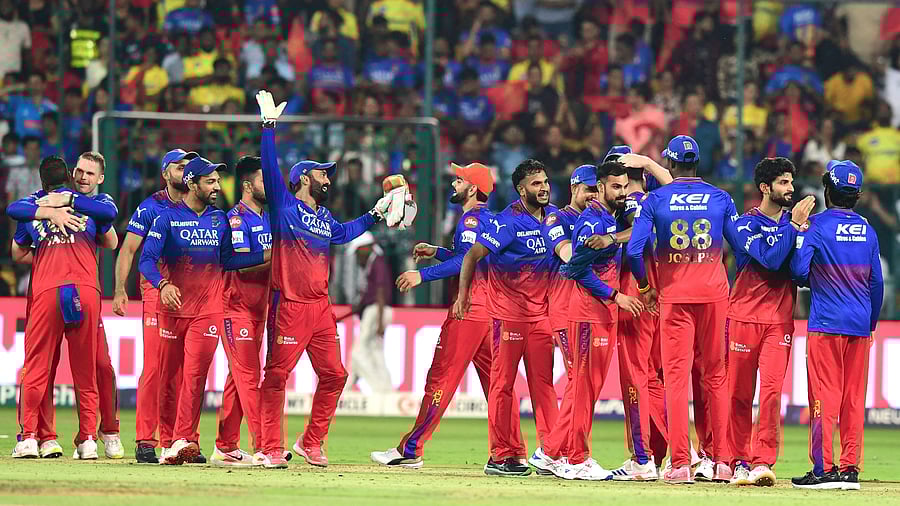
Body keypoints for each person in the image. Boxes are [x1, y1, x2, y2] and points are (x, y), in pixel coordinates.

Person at [254, 90, 394, 469]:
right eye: (321, 173)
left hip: (320, 308)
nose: (327, 178)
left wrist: (376, 214)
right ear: (302, 178)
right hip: (289, 304)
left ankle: (310, 442)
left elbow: (345, 234)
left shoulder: (325, 219)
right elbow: (269, 169)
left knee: (335, 375)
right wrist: (268, 128)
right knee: (277, 376)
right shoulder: (284, 207)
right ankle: (269, 447)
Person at [625, 135, 742, 484]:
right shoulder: (721, 198)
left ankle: (679, 465)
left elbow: (634, 251)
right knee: (717, 377)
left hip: (674, 296)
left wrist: (645, 288)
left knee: (675, 380)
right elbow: (739, 246)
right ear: (697, 163)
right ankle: (722, 462)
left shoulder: (656, 199)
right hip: (714, 295)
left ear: (671, 164)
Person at [139, 156, 268, 466]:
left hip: (208, 311)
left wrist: (265, 254)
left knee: (195, 377)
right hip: (173, 309)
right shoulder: (167, 219)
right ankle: (170, 440)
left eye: (217, 181)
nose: (216, 186)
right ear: (192, 183)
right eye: (210, 181)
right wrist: (162, 285)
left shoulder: (219, 219)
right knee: (170, 378)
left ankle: (185, 439)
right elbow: (146, 260)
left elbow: (229, 261)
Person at [370, 162, 495, 468]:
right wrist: (437, 250)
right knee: (498, 388)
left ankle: (411, 449)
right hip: (491, 312)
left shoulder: (469, 221)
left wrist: (421, 276)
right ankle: (509, 452)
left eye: (459, 180)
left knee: (439, 380)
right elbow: (469, 258)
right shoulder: (487, 220)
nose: (454, 184)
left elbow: (466, 261)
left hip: (467, 311)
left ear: (473, 188)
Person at [11, 153, 124, 460]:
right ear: (71, 175)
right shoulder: (92, 209)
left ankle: (31, 437)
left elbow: (17, 248)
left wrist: (44, 217)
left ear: (41, 179)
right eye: (80, 172)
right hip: (85, 290)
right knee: (86, 369)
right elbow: (111, 238)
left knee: (36, 367)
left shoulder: (34, 209)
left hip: (47, 290)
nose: (84, 177)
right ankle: (88, 439)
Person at [452, 159, 560, 477]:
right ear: (521, 189)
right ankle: (501, 456)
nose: (544, 188)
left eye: (545, 181)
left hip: (540, 317)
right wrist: (463, 296)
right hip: (509, 316)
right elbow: (472, 255)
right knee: (503, 386)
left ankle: (552, 454)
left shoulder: (553, 219)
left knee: (544, 388)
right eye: (536, 184)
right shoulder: (507, 221)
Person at [546, 161, 645, 481]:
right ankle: (576, 459)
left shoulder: (608, 221)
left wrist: (614, 238)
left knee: (586, 388)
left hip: (600, 315)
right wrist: (616, 296)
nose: (621, 192)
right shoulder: (591, 223)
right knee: (583, 389)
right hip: (588, 315)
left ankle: (563, 456)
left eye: (624, 186)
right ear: (600, 188)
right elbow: (575, 269)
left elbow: (641, 230)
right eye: (615, 187)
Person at [790, 160, 884, 491]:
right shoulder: (867, 229)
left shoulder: (816, 226)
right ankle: (849, 470)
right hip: (860, 326)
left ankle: (824, 469)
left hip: (827, 324)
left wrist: (800, 233)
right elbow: (876, 284)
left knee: (823, 397)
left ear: (827, 190)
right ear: (856, 196)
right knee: (853, 399)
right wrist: (870, 323)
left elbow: (800, 274)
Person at [726, 157, 815, 486]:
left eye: (791, 182)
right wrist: (793, 228)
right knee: (738, 394)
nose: (790, 188)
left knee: (772, 393)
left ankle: (762, 461)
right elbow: (770, 258)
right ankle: (737, 460)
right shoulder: (743, 225)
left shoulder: (797, 226)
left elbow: (799, 273)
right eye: (783, 183)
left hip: (779, 322)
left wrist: (802, 237)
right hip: (743, 317)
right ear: (765, 188)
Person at [112, 148, 197, 464]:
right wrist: (120, 289)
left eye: (189, 167)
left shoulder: (198, 207)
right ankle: (145, 440)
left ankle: (176, 441)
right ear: (165, 173)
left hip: (190, 298)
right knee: (155, 368)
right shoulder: (150, 207)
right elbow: (128, 249)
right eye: (179, 167)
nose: (185, 172)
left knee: (180, 373)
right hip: (155, 293)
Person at [528, 164, 598, 475]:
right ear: (574, 188)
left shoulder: (596, 218)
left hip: (584, 309)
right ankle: (555, 453)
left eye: (598, 189)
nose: (593, 195)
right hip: (564, 310)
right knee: (578, 383)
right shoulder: (558, 218)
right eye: (589, 189)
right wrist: (602, 244)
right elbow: (567, 253)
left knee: (580, 383)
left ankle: (557, 452)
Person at [212, 155, 273, 467]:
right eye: (264, 180)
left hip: (259, 308)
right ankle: (265, 445)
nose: (270, 185)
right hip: (235, 307)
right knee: (249, 376)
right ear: (248, 186)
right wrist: (278, 256)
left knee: (239, 378)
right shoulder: (234, 219)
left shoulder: (268, 218)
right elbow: (239, 264)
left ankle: (225, 445)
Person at [344, 232, 393, 393]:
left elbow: (380, 292)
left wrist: (378, 321)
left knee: (359, 353)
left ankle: (378, 390)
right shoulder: (375, 262)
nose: (358, 258)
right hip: (378, 310)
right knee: (376, 352)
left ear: (365, 248)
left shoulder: (376, 262)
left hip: (376, 311)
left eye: (358, 253)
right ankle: (387, 390)